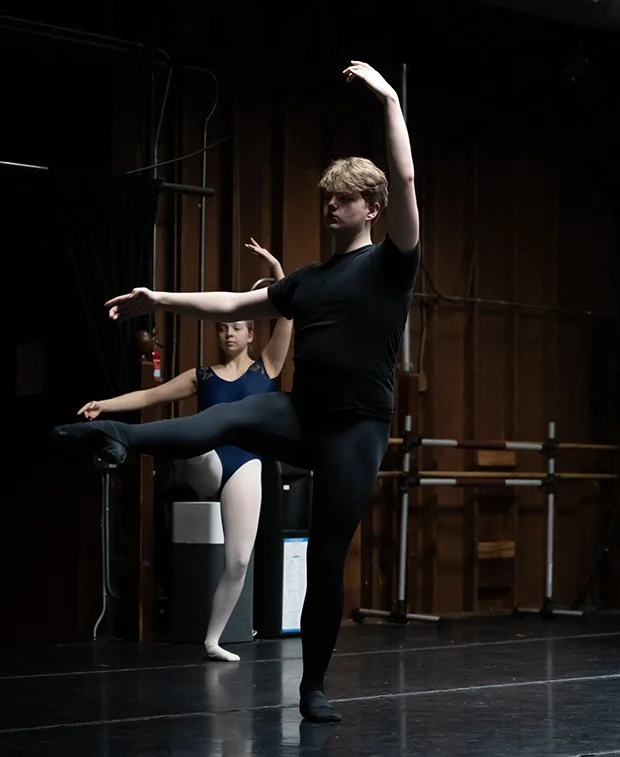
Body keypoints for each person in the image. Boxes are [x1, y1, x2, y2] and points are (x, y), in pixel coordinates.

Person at [52, 60, 419, 724]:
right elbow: (232, 303)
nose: (329, 205)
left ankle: (313, 686)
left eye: (342, 198)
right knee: (226, 415)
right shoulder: (307, 281)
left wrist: (390, 99)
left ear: (372, 206)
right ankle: (116, 434)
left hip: (356, 429)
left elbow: (409, 176)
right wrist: (158, 295)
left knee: (330, 556)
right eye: (326, 197)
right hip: (302, 413)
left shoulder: (393, 265)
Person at [76, 240, 292, 662]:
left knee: (239, 560)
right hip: (205, 462)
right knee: (197, 436)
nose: (228, 332)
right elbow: (150, 394)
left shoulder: (267, 367)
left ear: (251, 332)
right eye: (223, 328)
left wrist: (278, 269)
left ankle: (213, 640)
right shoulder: (202, 376)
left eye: (236, 327)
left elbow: (286, 312)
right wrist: (105, 404)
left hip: (243, 465)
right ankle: (147, 442)